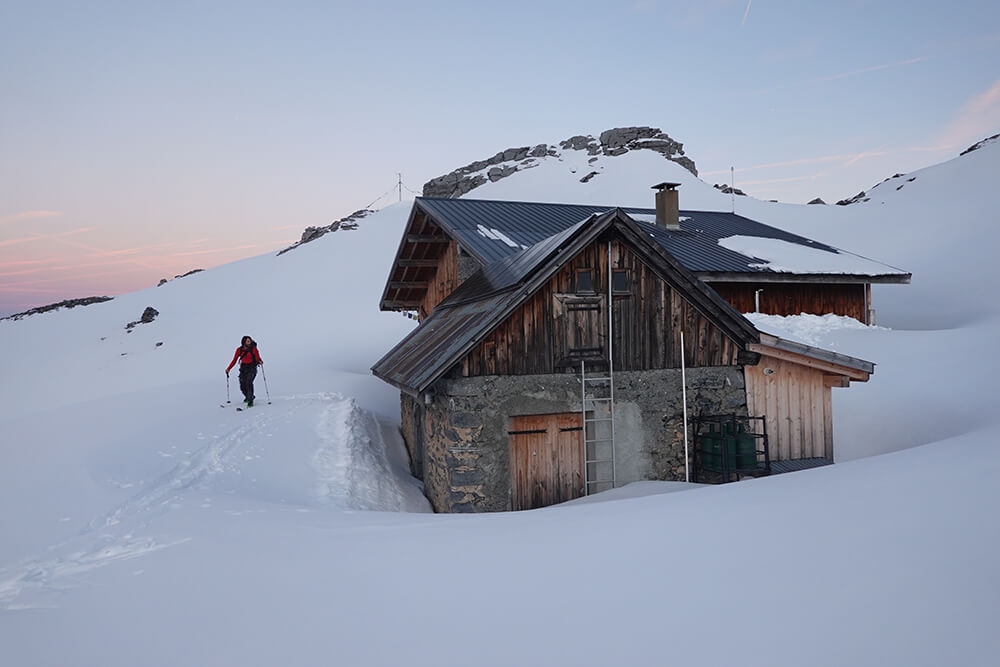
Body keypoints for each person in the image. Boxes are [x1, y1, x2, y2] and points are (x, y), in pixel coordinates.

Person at [226, 335, 263, 407]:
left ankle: (250, 400)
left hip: (252, 367)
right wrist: (228, 369)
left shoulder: (254, 349)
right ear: (244, 342)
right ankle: (249, 396)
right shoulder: (239, 350)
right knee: (242, 385)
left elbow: (258, 357)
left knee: (249, 382)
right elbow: (234, 360)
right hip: (243, 368)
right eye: (248, 341)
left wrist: (260, 361)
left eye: (250, 341)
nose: (249, 342)